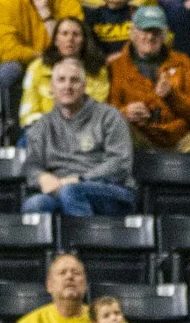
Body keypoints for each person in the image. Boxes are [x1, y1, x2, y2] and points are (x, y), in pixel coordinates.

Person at [107, 3, 190, 154]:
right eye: (145, 31)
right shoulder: (116, 66)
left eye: (156, 32)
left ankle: (183, 165)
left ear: (165, 35)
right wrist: (125, 112)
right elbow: (105, 114)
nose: (150, 37)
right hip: (140, 142)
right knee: (119, 127)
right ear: (133, 33)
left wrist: (172, 95)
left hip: (182, 142)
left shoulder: (182, 62)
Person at [21, 57, 137, 217]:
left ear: (84, 86)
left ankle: (89, 234)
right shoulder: (42, 125)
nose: (67, 86)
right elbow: (31, 165)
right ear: (52, 88)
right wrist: (41, 177)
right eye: (61, 80)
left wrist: (80, 179)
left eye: (74, 80)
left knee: (71, 192)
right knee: (35, 204)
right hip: (61, 188)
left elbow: (120, 163)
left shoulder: (109, 116)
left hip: (111, 189)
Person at [20, 13, 109, 125]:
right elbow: (28, 110)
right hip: (43, 127)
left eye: (76, 34)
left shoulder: (97, 70)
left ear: (84, 41)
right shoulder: (37, 67)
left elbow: (98, 108)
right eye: (64, 33)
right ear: (56, 40)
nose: (70, 39)